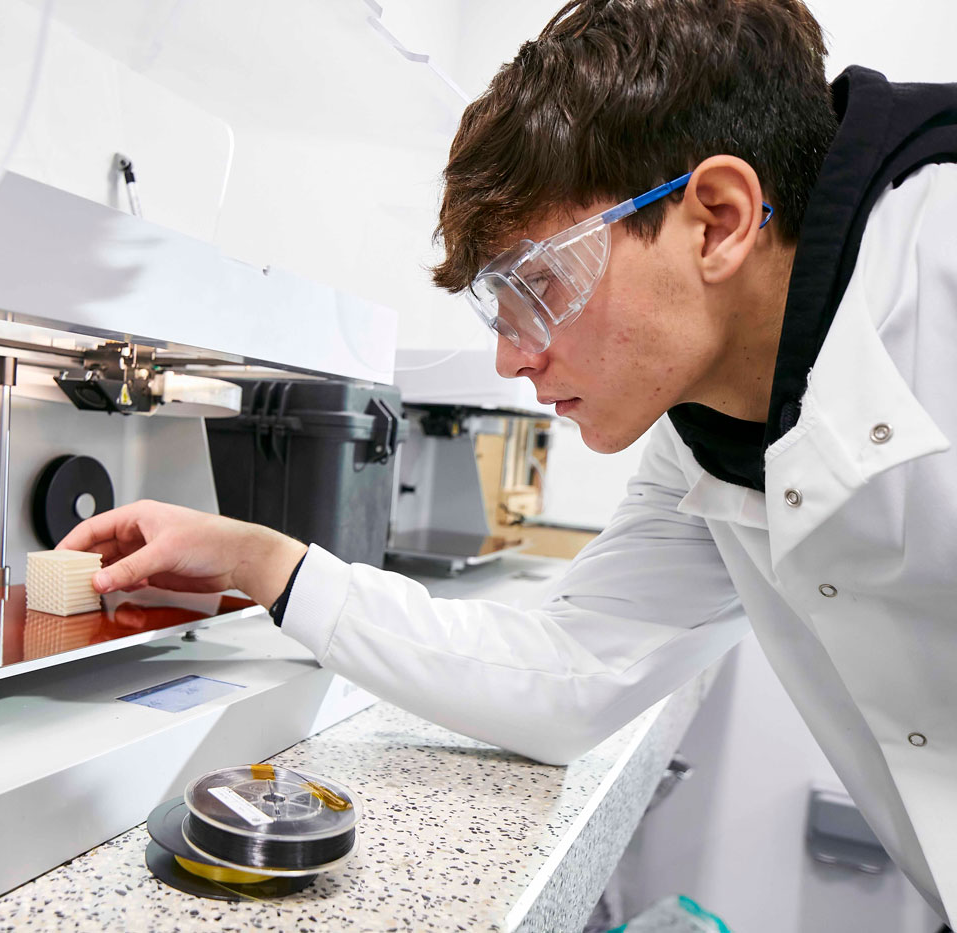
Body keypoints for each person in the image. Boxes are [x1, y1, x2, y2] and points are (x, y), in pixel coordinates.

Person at [60, 0, 957, 919]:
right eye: (501, 307)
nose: (512, 356)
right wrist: (259, 559)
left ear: (717, 221)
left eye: (539, 285)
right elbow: (568, 671)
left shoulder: (941, 255)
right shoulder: (708, 437)